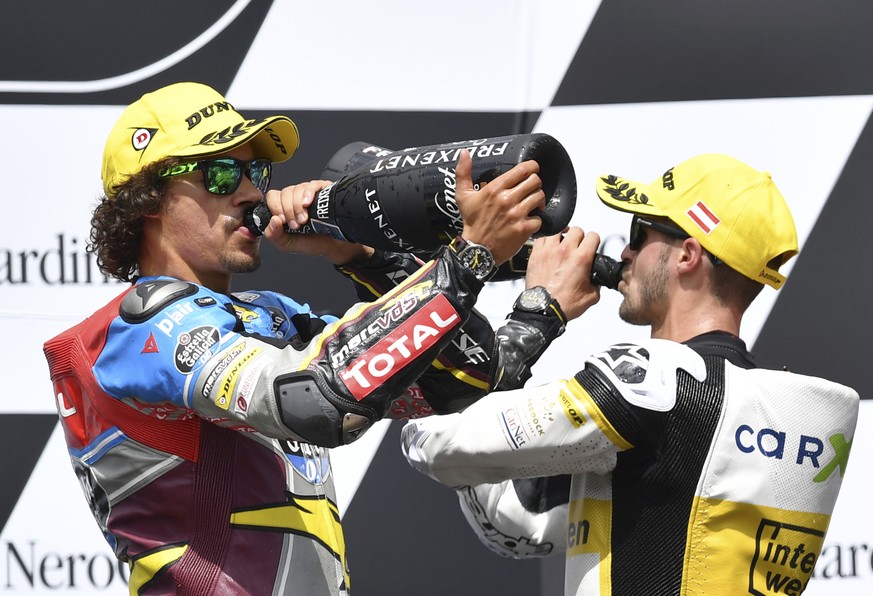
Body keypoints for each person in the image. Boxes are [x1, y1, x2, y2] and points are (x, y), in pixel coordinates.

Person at [42, 81, 551, 595]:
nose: (251, 192)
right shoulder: (138, 328)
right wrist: (468, 256)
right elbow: (319, 403)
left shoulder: (270, 315)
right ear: (148, 198)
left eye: (256, 173)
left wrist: (359, 255)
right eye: (221, 172)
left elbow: (461, 381)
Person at [402, 154, 860, 595]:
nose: (624, 251)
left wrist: (538, 313)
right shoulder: (783, 414)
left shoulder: (657, 385)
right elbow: (516, 518)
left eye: (640, 235)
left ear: (688, 256)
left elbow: (441, 447)